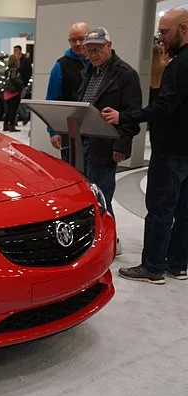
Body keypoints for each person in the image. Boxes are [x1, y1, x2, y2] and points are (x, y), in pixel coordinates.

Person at [102, 7, 188, 285]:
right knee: (184, 210)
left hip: (171, 150)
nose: (160, 38)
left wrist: (124, 116)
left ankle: (152, 267)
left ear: (183, 29)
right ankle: (178, 264)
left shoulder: (178, 65)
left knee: (161, 208)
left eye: (164, 32)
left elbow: (164, 106)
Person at [76, 27, 141, 260]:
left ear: (109, 46)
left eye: (97, 49)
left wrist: (121, 145)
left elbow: (133, 115)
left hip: (106, 144)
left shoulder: (125, 74)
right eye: (89, 50)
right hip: (83, 141)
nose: (93, 54)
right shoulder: (90, 72)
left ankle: (110, 240)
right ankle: (96, 239)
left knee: (102, 195)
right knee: (87, 195)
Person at [46, 22, 90, 162]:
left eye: (82, 39)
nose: (78, 43)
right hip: (69, 131)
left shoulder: (99, 64)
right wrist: (53, 132)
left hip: (95, 133)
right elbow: (52, 101)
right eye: (73, 40)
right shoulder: (60, 66)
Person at [2, 54, 23, 132]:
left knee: (8, 110)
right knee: (13, 110)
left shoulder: (7, 70)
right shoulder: (15, 70)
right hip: (14, 92)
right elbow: (14, 78)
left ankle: (5, 125)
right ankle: (12, 126)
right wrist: (21, 84)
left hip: (7, 92)